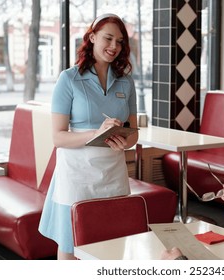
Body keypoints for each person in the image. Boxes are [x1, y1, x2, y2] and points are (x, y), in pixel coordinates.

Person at [39, 13, 138, 260]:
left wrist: (125, 141)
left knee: (112, 242)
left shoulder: (126, 83)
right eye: (108, 38)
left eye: (120, 41)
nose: (114, 46)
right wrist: (96, 133)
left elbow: (133, 133)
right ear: (92, 37)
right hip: (76, 176)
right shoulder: (68, 79)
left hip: (113, 173)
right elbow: (58, 137)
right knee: (71, 246)